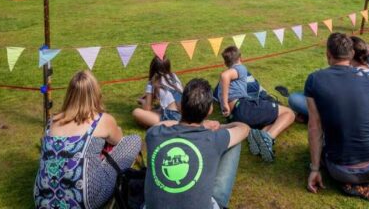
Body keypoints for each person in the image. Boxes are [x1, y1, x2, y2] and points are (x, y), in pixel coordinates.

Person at [305, 33, 369, 202]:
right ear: (351, 55)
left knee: (326, 139)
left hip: (338, 170)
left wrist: (314, 169)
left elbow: (314, 126)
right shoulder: (367, 78)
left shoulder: (314, 79)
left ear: (328, 54)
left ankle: (349, 180)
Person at [34, 70, 142, 209]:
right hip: (83, 200)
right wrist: (116, 130)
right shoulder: (101, 120)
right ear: (96, 93)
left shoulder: (52, 121)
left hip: (43, 199)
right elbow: (118, 141)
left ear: (70, 94)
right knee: (133, 140)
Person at [144, 79, 248, 209]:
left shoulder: (154, 134)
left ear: (181, 105)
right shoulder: (213, 138)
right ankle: (217, 201)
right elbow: (244, 128)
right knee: (234, 142)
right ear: (210, 110)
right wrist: (220, 126)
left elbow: (158, 125)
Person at [218, 47, 294, 162]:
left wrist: (224, 105)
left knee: (276, 118)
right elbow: (225, 76)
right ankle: (269, 138)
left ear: (225, 62)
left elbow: (225, 80)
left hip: (235, 117)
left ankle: (260, 135)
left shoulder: (222, 85)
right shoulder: (240, 68)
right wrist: (224, 104)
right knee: (289, 113)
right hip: (244, 108)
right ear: (240, 58)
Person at [132, 56, 183, 128]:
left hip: (172, 117)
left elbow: (147, 109)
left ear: (152, 68)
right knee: (158, 108)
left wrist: (142, 101)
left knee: (136, 112)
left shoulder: (152, 82)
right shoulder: (174, 76)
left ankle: (168, 125)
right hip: (184, 113)